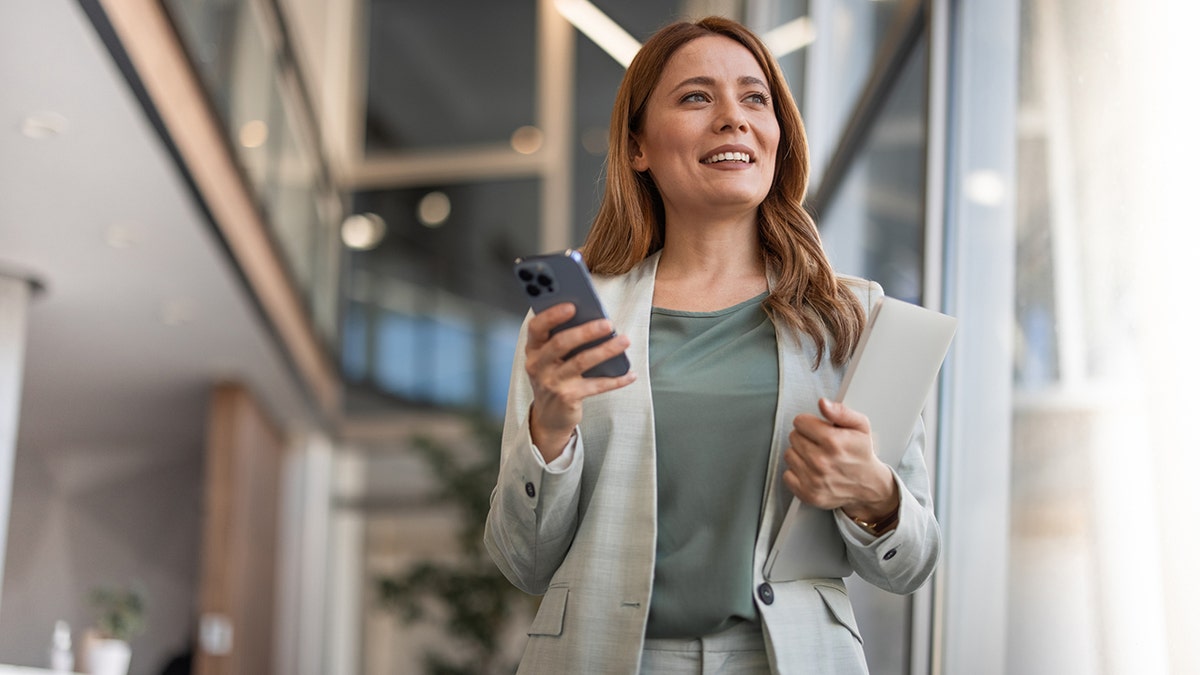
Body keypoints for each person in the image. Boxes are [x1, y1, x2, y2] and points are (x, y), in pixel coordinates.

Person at [484, 15, 940, 674]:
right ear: (637, 145)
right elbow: (521, 562)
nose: (733, 117)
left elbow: (914, 561)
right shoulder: (570, 325)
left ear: (778, 137)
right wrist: (549, 425)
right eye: (697, 97)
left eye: (755, 98)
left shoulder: (852, 319)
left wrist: (874, 493)